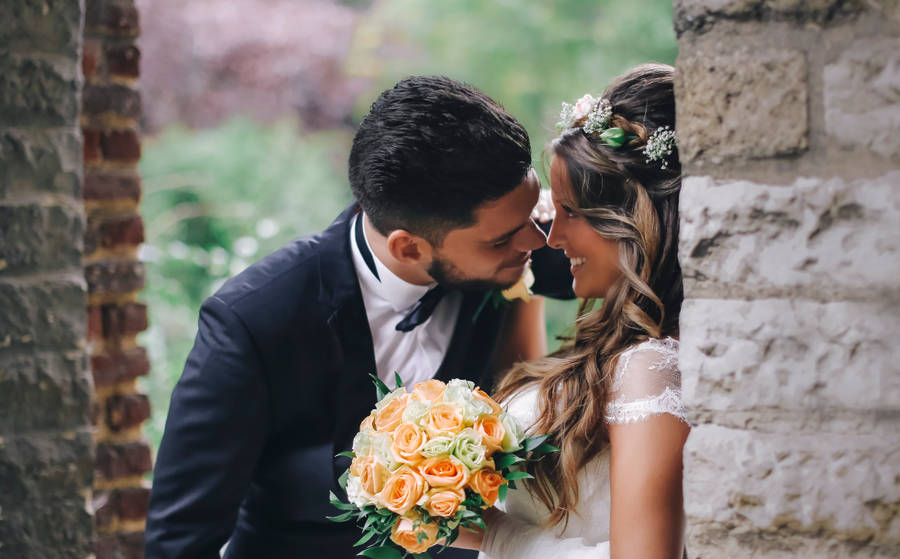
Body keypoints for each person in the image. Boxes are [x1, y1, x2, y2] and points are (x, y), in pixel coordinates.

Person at [144, 75, 573, 559]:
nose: (539, 244)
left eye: (531, 222)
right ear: (408, 246)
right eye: (503, 239)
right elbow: (180, 541)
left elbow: (640, 254)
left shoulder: (512, 238)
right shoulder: (254, 321)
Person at [452, 64, 691, 558]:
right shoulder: (630, 346)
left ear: (631, 220)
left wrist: (494, 533)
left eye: (572, 212)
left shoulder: (651, 366)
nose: (552, 237)